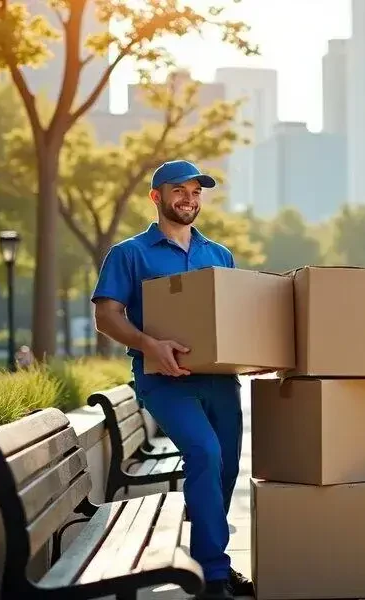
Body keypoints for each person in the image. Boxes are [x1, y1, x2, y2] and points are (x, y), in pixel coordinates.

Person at [91, 160, 252, 600]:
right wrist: (148, 344)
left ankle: (210, 557)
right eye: (179, 190)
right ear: (156, 196)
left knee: (226, 466)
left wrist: (253, 353)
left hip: (219, 381)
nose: (189, 198)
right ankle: (214, 577)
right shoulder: (130, 253)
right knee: (203, 451)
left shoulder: (219, 255)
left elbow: (234, 318)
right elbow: (106, 316)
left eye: (197, 192)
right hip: (163, 380)